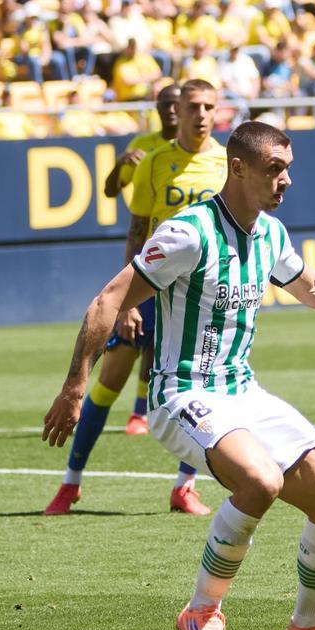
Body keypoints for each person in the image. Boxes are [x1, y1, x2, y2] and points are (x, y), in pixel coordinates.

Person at [43, 121, 315, 630]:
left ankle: (309, 620)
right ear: (239, 167)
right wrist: (75, 384)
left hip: (242, 391)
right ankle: (201, 611)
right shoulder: (189, 232)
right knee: (259, 481)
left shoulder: (270, 233)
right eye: (275, 168)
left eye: (289, 167)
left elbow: (312, 287)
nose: (286, 179)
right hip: (180, 393)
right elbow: (109, 298)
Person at [44, 80, 227, 517]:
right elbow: (137, 231)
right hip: (151, 286)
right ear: (176, 112)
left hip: (200, 294)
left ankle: (185, 487)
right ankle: (70, 484)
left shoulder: (225, 163)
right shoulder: (154, 161)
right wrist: (126, 304)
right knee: (109, 383)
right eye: (192, 107)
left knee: (203, 389)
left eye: (208, 107)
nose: (200, 115)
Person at [96, 83, 181, 436]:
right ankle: (96, 406)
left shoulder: (204, 153)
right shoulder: (144, 146)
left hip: (186, 256)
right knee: (133, 332)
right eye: (164, 105)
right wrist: (119, 165)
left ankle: (139, 411)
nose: (170, 111)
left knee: (160, 335)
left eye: (176, 104)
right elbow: (110, 190)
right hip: (148, 251)